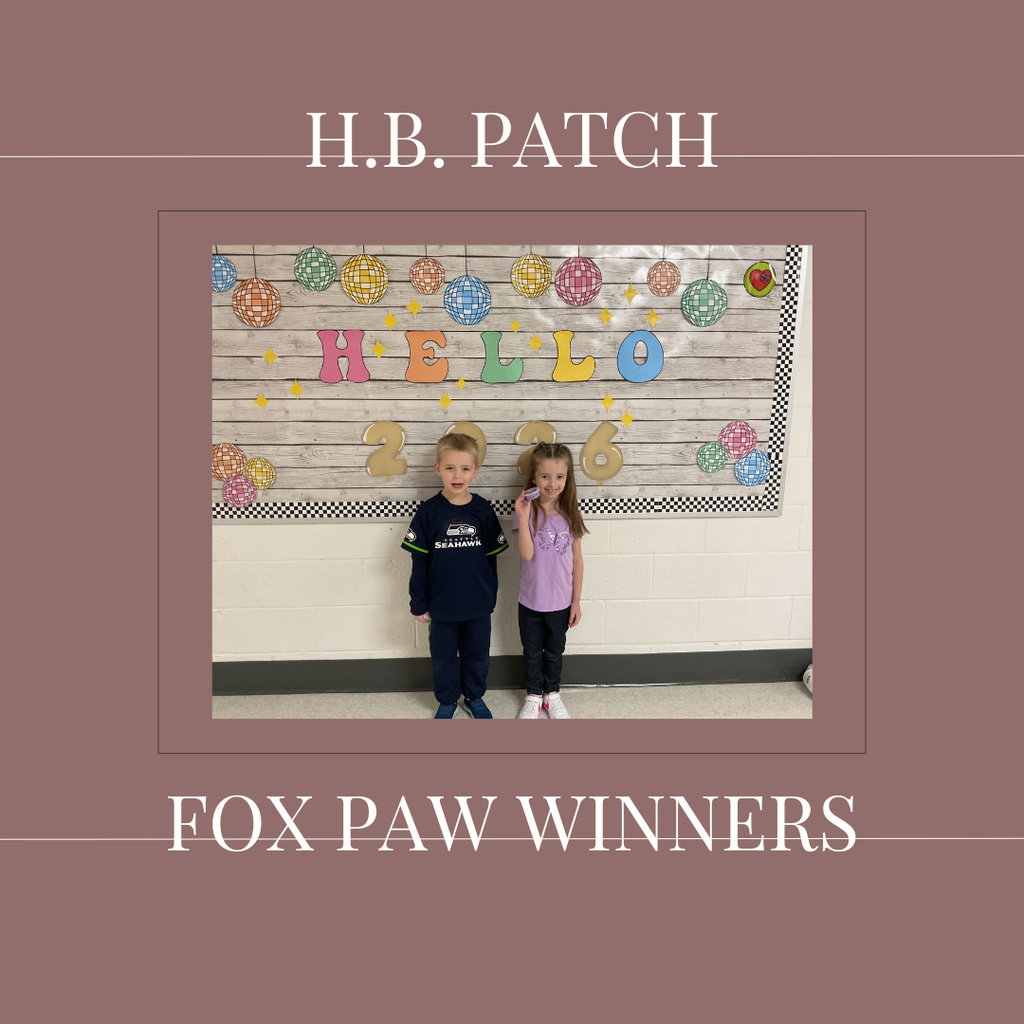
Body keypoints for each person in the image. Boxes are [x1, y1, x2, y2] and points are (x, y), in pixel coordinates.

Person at [401, 432, 508, 719]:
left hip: (477, 605)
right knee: (443, 659)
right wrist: (418, 602)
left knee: (477, 656)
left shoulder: (483, 511)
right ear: (438, 469)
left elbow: (492, 560)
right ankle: (447, 700)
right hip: (441, 606)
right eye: (450, 468)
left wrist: (490, 595)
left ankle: (474, 697)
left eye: (464, 468)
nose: (457, 475)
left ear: (476, 470)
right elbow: (419, 561)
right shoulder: (428, 513)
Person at [512, 442, 587, 720]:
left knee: (554, 652)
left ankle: (552, 693)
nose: (552, 483)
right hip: (530, 601)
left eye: (559, 477)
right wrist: (522, 516)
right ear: (533, 477)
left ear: (568, 479)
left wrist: (576, 600)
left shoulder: (572, 515)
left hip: (561, 602)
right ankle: (533, 694)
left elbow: (577, 561)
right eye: (545, 476)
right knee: (532, 652)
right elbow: (526, 553)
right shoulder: (528, 512)